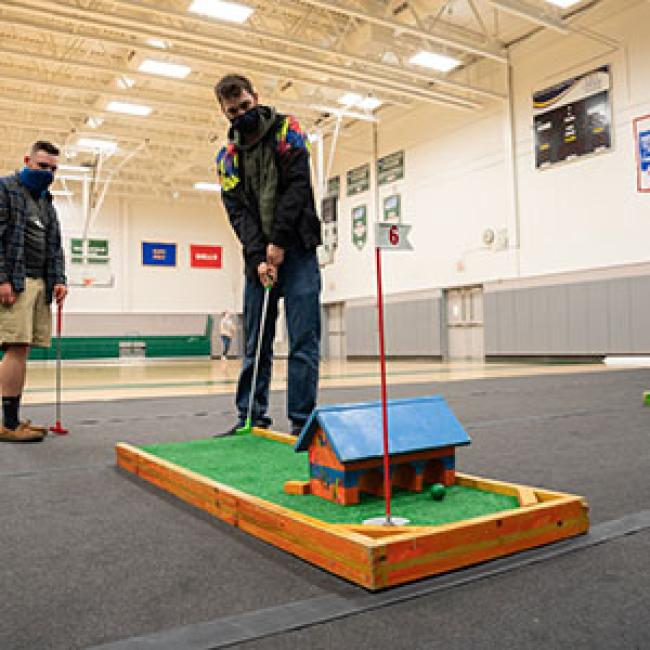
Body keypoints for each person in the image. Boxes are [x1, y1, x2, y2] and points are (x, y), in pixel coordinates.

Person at [214, 74, 322, 436]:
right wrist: (259, 256)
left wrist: (279, 242)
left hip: (298, 249)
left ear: (255, 98)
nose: (241, 114)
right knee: (256, 342)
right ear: (224, 113)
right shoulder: (226, 157)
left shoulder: (286, 129)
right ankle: (250, 416)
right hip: (258, 260)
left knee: (303, 339)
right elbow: (238, 213)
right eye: (233, 111)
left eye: (245, 106)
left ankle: (302, 421)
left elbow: (298, 186)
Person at [0, 141, 67, 443]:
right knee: (15, 348)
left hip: (40, 283)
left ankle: (13, 419)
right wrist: (2, 279)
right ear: (27, 159)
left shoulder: (46, 201)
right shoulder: (6, 189)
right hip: (16, 282)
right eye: (42, 166)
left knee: (22, 349)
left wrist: (59, 279)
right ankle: (8, 424)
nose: (48, 173)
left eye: (53, 168)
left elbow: (55, 245)